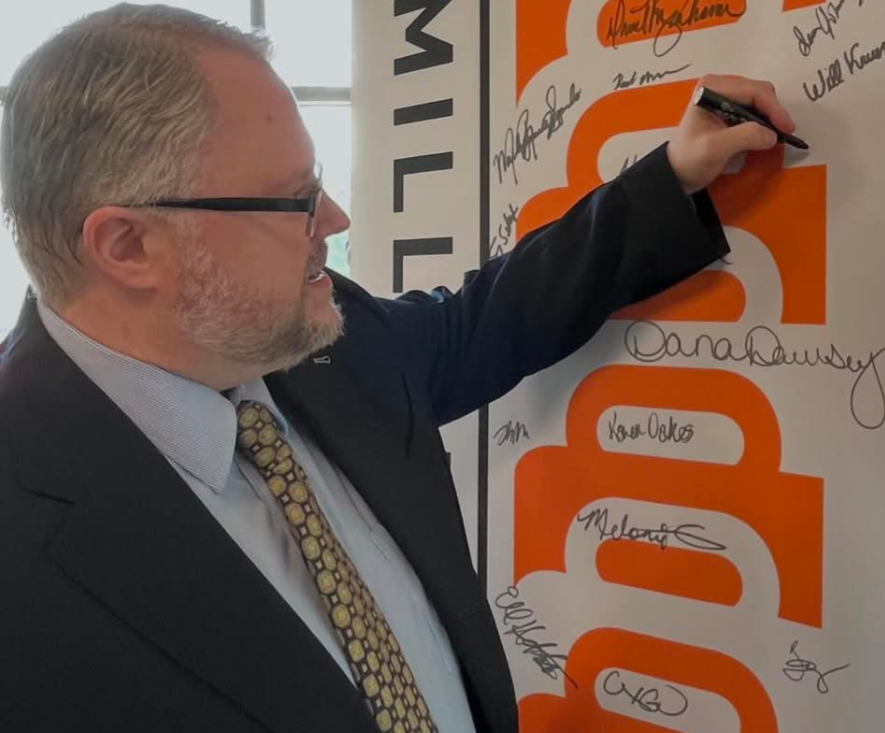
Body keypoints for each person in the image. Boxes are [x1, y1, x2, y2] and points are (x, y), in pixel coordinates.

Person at [0, 5, 798, 733]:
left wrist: (672, 175)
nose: (334, 219)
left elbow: (479, 320)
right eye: (293, 200)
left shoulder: (314, 339)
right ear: (128, 246)